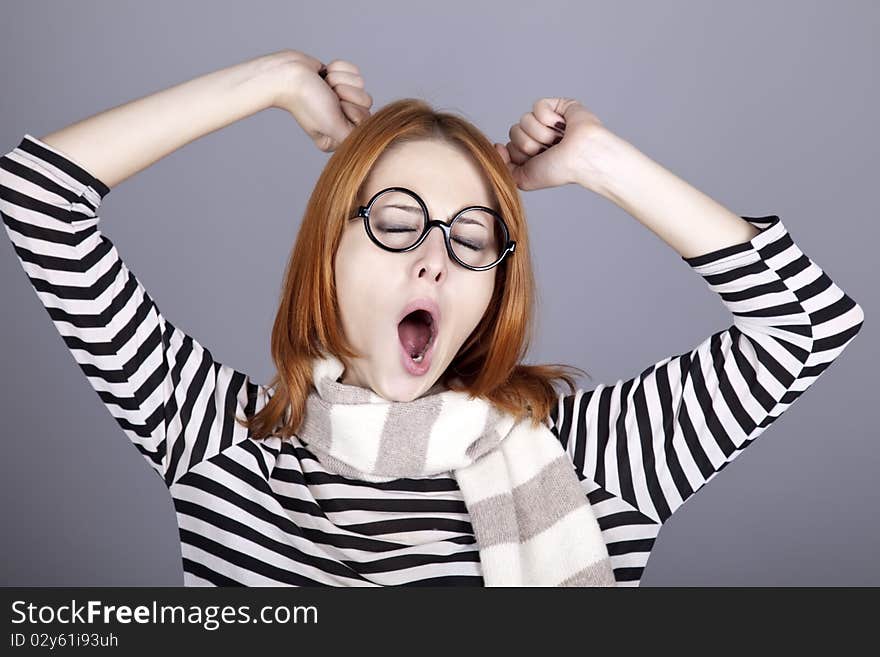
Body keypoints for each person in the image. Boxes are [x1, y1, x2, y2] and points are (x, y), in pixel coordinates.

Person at [0, 49, 864, 586]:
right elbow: (38, 197)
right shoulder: (219, 437)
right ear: (326, 256)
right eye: (396, 222)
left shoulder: (597, 456)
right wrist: (272, 82)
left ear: (494, 286)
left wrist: (601, 162)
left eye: (471, 236)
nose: (434, 257)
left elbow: (811, 324)